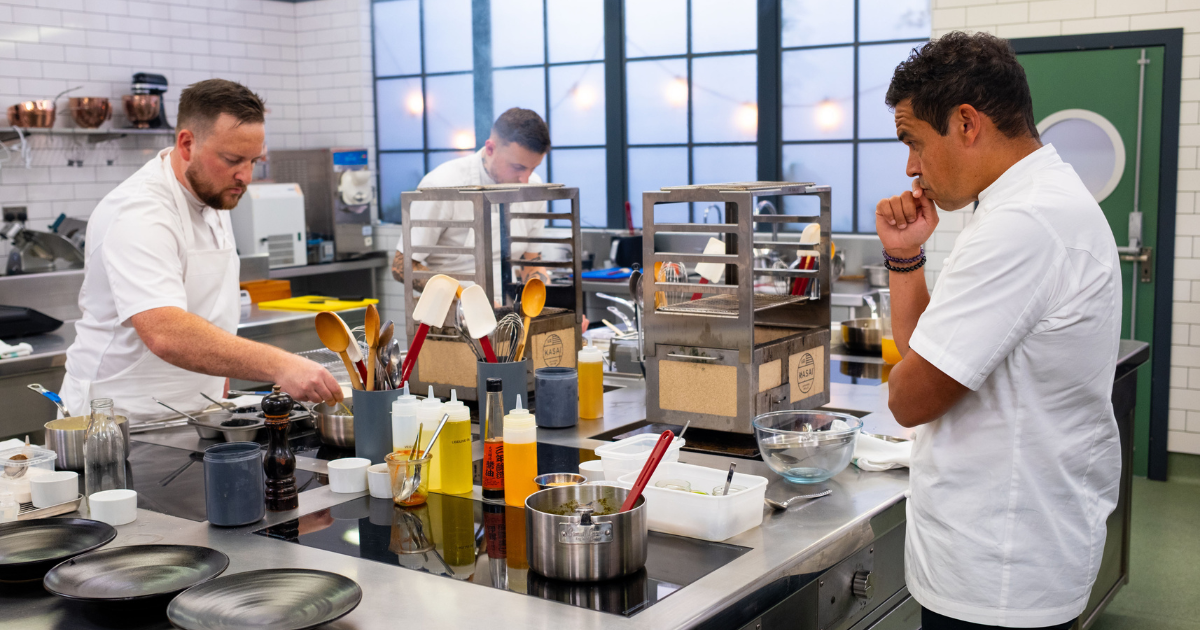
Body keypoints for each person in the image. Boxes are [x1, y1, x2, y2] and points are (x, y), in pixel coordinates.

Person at [876, 32, 1121, 630]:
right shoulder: (1027, 203)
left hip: (1002, 570)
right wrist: (906, 259)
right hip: (1007, 550)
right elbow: (924, 355)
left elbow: (910, 398)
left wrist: (907, 381)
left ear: (965, 123)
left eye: (913, 141)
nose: (910, 166)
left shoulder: (1024, 224)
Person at [61, 79, 342, 421]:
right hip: (121, 423)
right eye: (233, 159)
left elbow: (206, 309)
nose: (246, 176)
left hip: (196, 413)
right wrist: (282, 365)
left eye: (255, 160)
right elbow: (166, 332)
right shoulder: (140, 212)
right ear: (186, 144)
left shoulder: (213, 193)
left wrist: (218, 378)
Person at [392, 108, 550, 300]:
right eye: (518, 167)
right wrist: (467, 301)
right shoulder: (442, 185)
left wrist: (551, 306)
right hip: (451, 322)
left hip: (512, 315)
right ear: (490, 149)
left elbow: (531, 260)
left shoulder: (534, 187)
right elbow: (402, 266)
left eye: (533, 169)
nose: (525, 180)